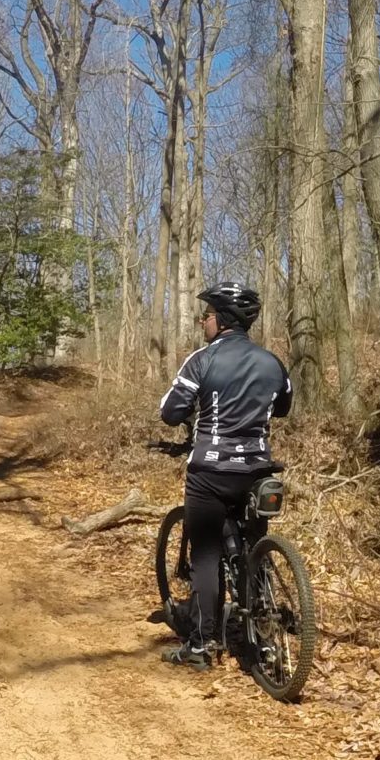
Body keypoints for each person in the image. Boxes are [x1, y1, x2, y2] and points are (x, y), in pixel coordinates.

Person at [157, 281, 292, 669]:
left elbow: (170, 411)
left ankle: (201, 647)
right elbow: (282, 407)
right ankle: (261, 636)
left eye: (207, 315)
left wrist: (196, 412)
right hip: (257, 470)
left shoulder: (202, 360)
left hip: (211, 471)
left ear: (222, 319)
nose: (203, 322)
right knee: (252, 548)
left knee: (205, 556)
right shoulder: (273, 363)